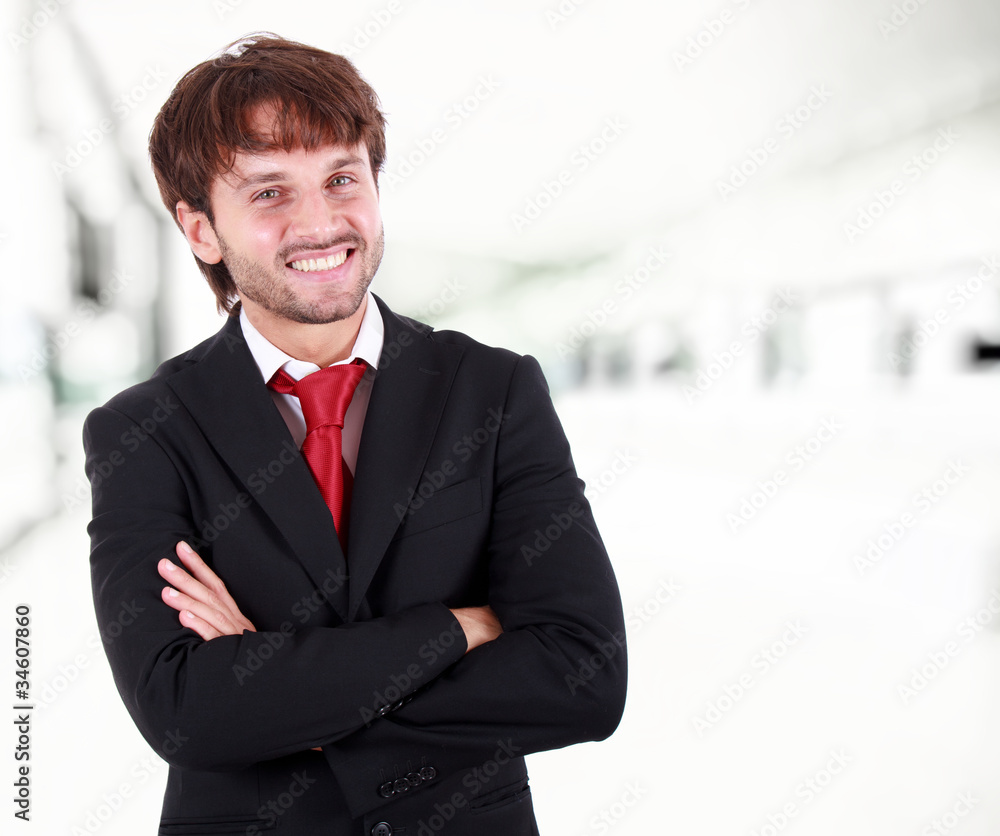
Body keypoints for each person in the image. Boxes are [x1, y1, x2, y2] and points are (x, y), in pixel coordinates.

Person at [84, 33, 626, 836]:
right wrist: (458, 629)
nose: (321, 222)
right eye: (269, 193)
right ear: (201, 231)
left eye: (342, 177)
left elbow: (584, 674)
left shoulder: (494, 391)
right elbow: (186, 711)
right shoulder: (144, 431)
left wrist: (281, 699)